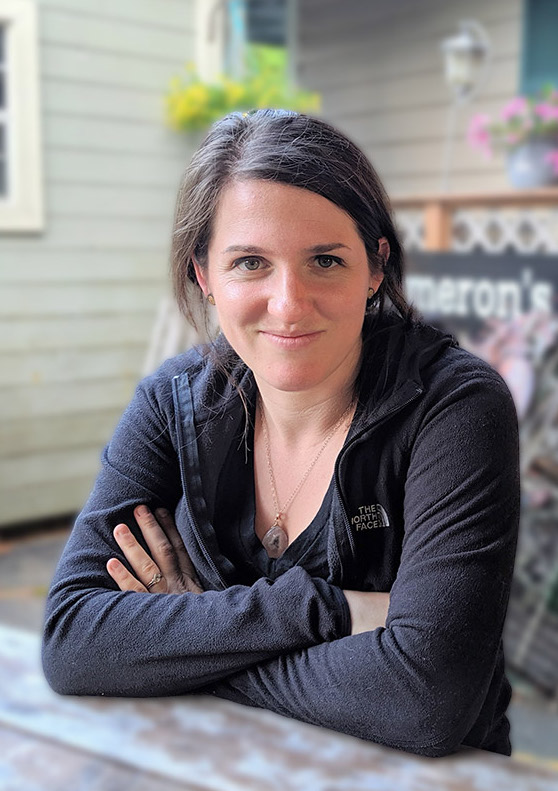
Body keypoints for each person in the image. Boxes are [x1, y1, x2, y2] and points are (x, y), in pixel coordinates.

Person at [42, 109, 520, 758]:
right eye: (250, 262)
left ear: (375, 266)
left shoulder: (455, 406)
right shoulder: (171, 403)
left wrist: (186, 638)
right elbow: (73, 639)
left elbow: (424, 698)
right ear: (205, 274)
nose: (290, 302)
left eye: (325, 259)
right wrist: (332, 610)